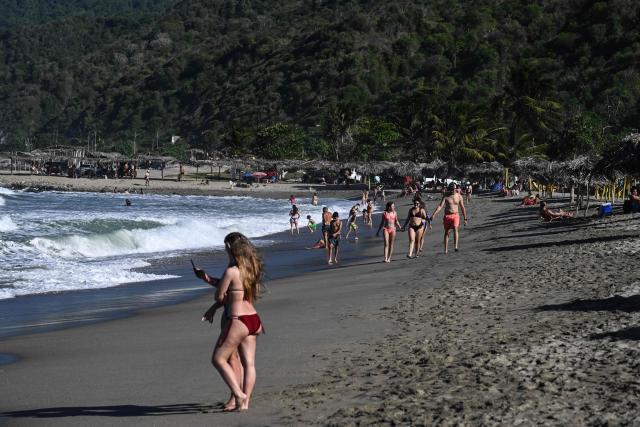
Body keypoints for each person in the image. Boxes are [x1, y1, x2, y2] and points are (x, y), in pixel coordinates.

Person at [193, 232, 264, 412]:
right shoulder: (252, 268)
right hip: (254, 319)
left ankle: (239, 395)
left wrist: (213, 289)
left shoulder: (231, 271)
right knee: (249, 363)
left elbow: (220, 295)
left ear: (231, 249)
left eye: (226, 247)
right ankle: (245, 403)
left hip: (238, 319)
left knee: (218, 359)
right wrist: (207, 278)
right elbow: (237, 290)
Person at [431, 182, 468, 253]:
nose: (452, 191)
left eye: (453, 189)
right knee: (447, 232)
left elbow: (462, 207)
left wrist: (465, 218)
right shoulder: (446, 196)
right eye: (451, 189)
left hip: (455, 215)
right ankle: (445, 249)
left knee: (455, 228)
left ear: (456, 188)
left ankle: (456, 247)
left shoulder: (459, 196)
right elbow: (440, 206)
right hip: (447, 216)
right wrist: (434, 214)